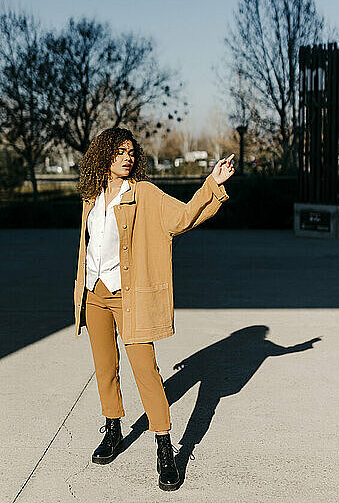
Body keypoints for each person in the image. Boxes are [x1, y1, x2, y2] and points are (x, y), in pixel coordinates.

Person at [73, 126, 234, 491]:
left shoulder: (143, 193)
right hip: (94, 293)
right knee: (104, 367)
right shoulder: (90, 197)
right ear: (103, 156)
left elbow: (182, 218)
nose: (127, 157)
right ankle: (113, 429)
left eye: (131, 152)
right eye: (119, 152)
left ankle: (165, 447)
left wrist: (213, 184)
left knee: (146, 371)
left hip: (129, 297)